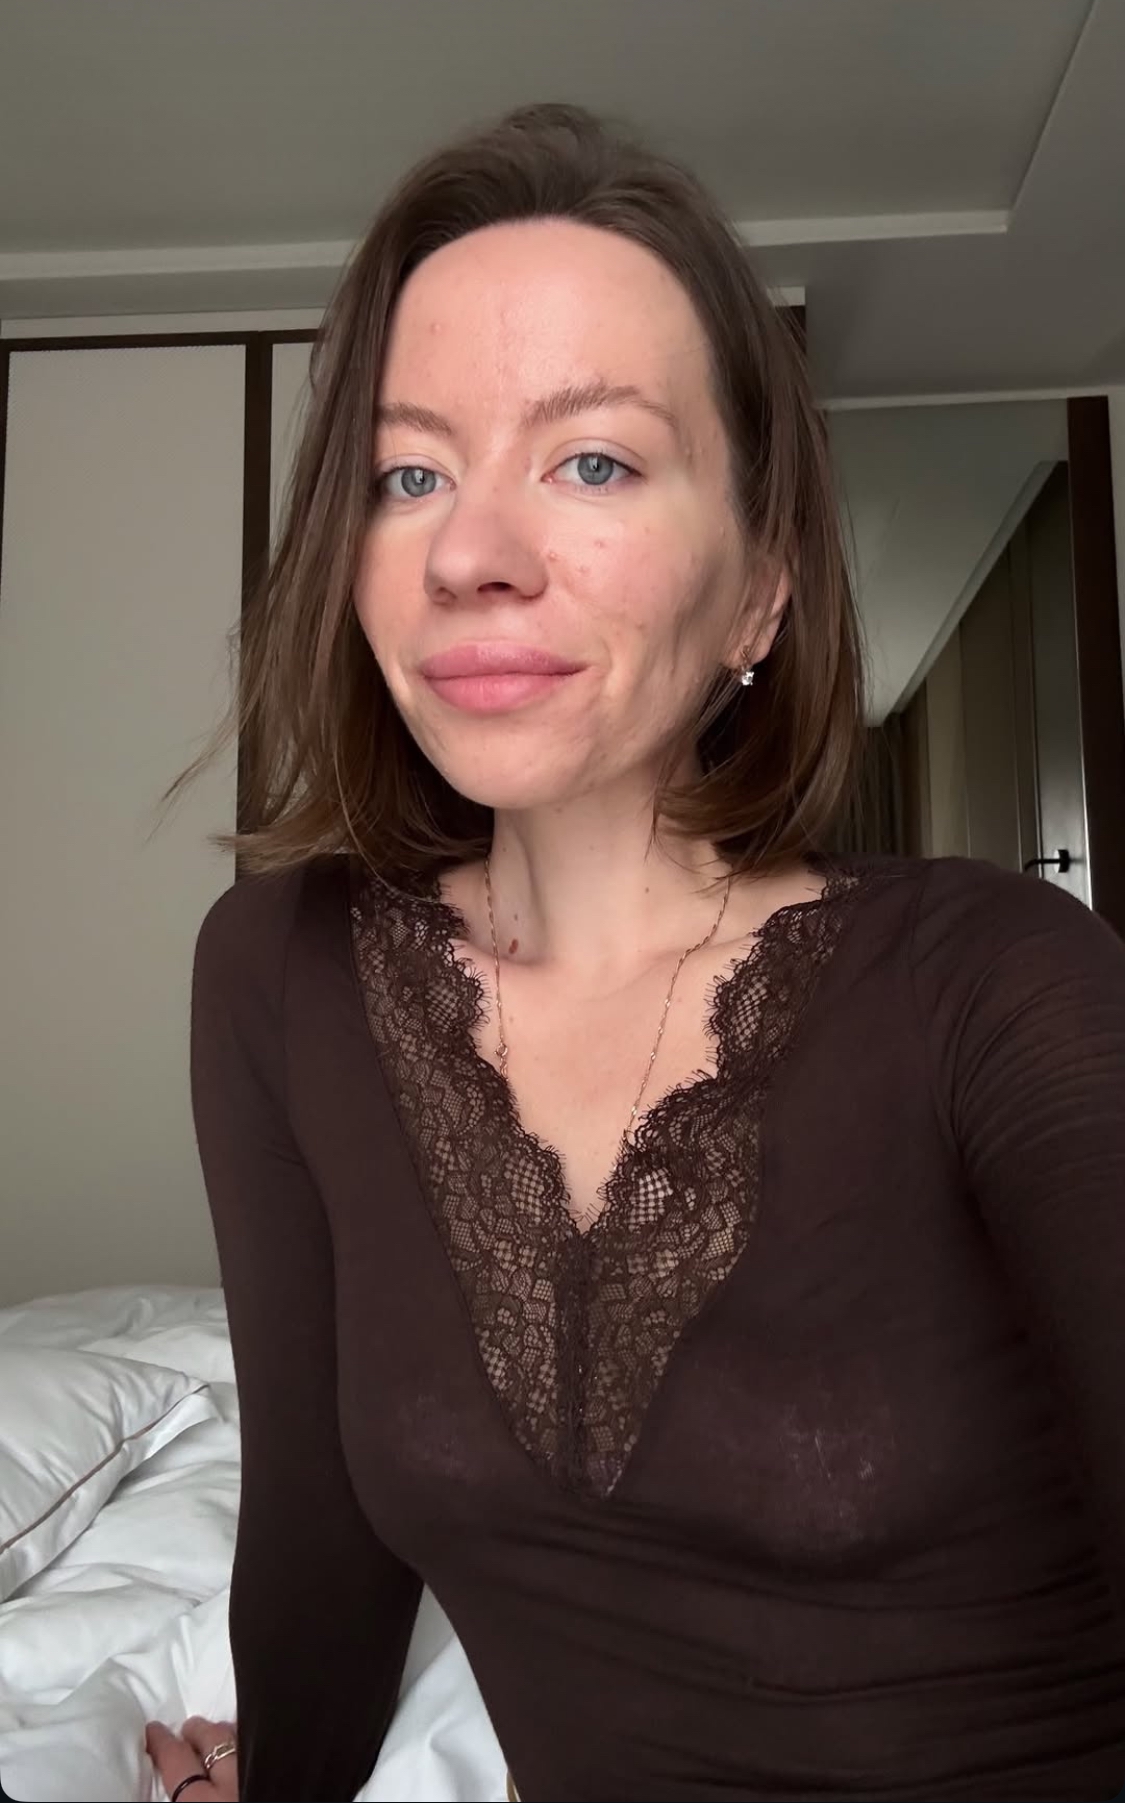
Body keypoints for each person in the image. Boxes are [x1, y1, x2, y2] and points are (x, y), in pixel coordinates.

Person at [146, 103, 1125, 1803]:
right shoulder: (277, 973)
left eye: (592, 460)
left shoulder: (999, 983)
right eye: (406, 474)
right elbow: (318, 1535)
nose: (468, 555)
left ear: (758, 591)